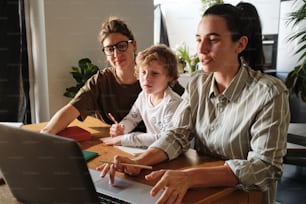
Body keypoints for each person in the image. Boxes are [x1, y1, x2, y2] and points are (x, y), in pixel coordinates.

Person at [97, 3, 290, 204]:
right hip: (203, 193)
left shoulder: (270, 93)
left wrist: (190, 177)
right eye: (198, 39)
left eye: (213, 40)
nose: (201, 49)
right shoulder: (198, 82)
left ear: (240, 44)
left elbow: (265, 166)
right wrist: (138, 161)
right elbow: (176, 134)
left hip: (245, 197)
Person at [40, 17, 184, 134]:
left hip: (157, 148)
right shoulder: (101, 81)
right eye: (110, 49)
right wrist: (47, 133)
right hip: (117, 146)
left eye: (122, 46)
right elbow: (70, 110)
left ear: (133, 45)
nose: (116, 54)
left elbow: (187, 107)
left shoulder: (157, 75)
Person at [102, 44, 182, 148]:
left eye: (154, 73)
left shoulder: (173, 104)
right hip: (151, 151)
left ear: (170, 77)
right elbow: (132, 119)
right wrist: (122, 128)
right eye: (143, 72)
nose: (146, 78)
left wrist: (126, 139)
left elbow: (165, 139)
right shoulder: (144, 96)